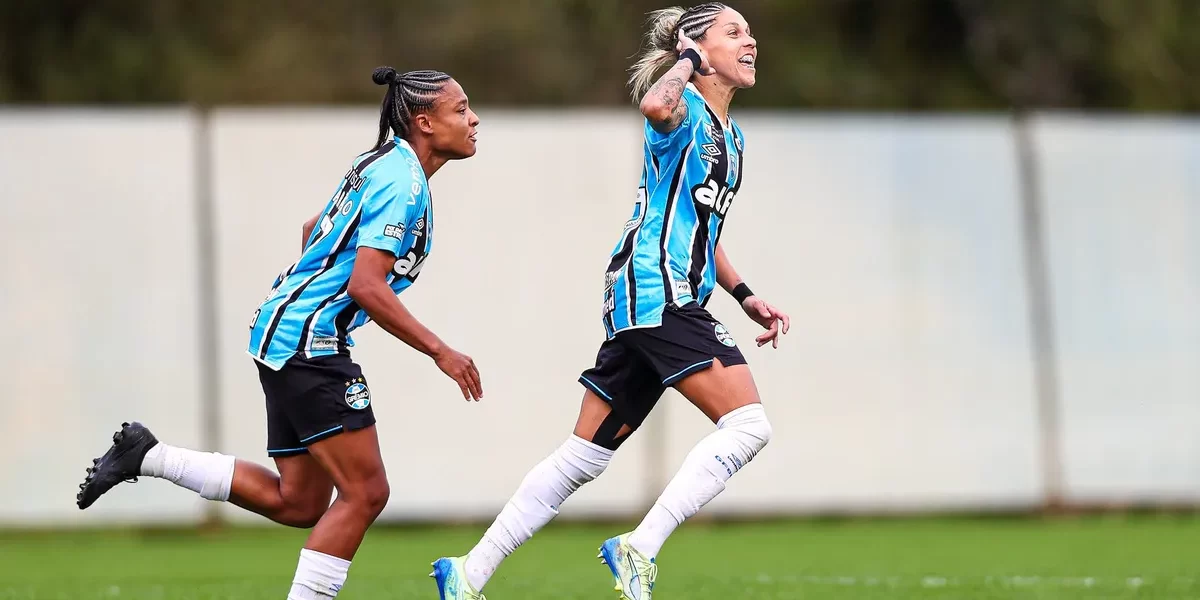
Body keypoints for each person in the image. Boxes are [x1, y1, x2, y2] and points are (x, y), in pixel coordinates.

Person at [75, 66, 484, 600]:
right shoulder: (402, 181)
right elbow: (366, 285)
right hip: (306, 344)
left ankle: (146, 455)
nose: (474, 119)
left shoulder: (381, 163)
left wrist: (311, 293)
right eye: (461, 109)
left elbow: (314, 230)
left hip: (284, 331)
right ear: (424, 123)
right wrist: (441, 351)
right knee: (366, 493)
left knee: (300, 502)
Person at [430, 4, 788, 600]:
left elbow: (705, 229)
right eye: (734, 32)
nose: (750, 42)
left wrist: (746, 295)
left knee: (583, 457)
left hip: (655, 295)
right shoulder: (683, 108)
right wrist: (687, 60)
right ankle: (638, 548)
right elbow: (654, 105)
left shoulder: (735, 138)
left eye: (750, 32)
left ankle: (468, 571)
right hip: (656, 290)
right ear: (695, 47)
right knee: (749, 426)